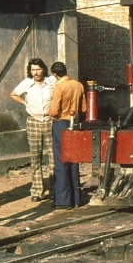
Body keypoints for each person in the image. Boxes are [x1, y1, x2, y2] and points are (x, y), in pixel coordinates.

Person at [10, 58, 56, 202]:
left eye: (38, 69)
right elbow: (13, 94)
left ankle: (55, 189)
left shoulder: (52, 81)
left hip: (50, 121)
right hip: (34, 121)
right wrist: (25, 103)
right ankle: (37, 190)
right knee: (36, 157)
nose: (36, 73)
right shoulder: (26, 83)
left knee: (53, 157)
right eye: (33, 70)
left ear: (44, 69)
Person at [48, 61, 87, 209]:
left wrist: (51, 113)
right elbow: (84, 108)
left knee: (61, 161)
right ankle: (76, 198)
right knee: (74, 160)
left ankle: (63, 200)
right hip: (74, 125)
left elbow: (53, 111)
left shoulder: (59, 86)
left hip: (61, 124)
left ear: (55, 74)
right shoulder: (78, 85)